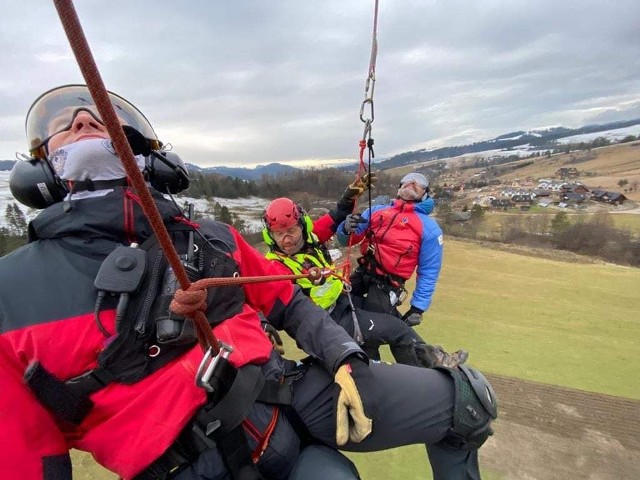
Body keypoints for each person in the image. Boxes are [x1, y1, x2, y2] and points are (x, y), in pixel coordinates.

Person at [1, 84, 496, 480]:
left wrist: (342, 355)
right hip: (184, 464)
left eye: (103, 119)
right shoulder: (9, 293)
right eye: (62, 127)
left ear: (148, 155)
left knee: (469, 401)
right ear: (39, 165)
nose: (83, 120)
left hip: (290, 397)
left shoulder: (213, 239)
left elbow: (289, 305)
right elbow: (23, 455)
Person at [262, 197, 467, 368]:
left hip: (341, 303)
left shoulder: (311, 239)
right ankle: (430, 375)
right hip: (328, 321)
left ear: (303, 227)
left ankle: (426, 361)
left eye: (291, 231)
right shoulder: (274, 266)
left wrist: (351, 194)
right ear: (270, 236)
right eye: (279, 234)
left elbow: (336, 216)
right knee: (398, 330)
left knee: (391, 319)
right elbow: (274, 293)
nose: (286, 239)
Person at [337, 172, 443, 327]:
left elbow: (429, 270)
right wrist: (346, 229)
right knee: (335, 304)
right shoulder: (376, 211)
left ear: (425, 194)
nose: (412, 182)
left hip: (388, 284)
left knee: (371, 329)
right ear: (399, 188)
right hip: (363, 272)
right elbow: (348, 240)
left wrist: (417, 308)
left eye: (419, 183)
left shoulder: (429, 228)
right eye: (406, 180)